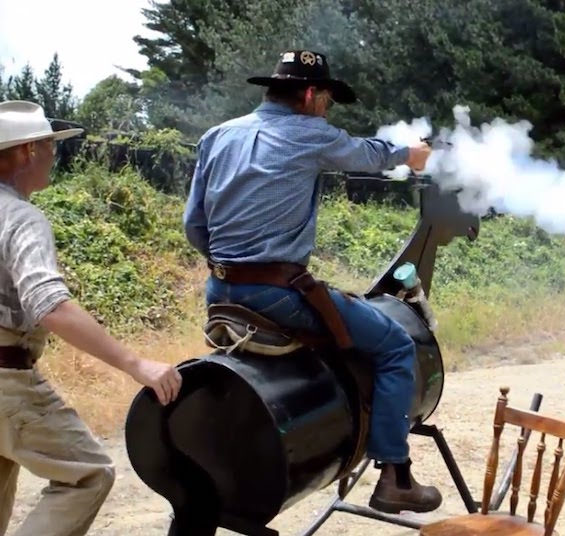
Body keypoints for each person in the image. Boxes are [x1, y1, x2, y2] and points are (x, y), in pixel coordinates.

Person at [182, 49, 441, 514]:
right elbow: (368, 154)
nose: (328, 109)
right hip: (277, 295)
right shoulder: (310, 132)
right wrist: (412, 154)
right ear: (309, 94)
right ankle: (394, 475)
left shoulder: (216, 136)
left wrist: (234, 268)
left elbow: (194, 227)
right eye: (327, 99)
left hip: (219, 291)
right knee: (396, 346)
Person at [0, 100, 183, 535]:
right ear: (27, 151)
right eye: (49, 146)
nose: (53, 156)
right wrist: (136, 364)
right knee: (86, 473)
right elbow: (51, 305)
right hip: (7, 381)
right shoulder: (21, 219)